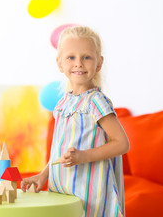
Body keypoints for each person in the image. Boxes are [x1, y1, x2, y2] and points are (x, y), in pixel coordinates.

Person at [21, 26, 130, 217]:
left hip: (90, 193)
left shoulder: (96, 101)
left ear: (98, 63)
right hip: (62, 190)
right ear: (60, 63)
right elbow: (60, 151)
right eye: (71, 57)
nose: (78, 63)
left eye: (86, 57)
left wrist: (83, 157)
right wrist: (43, 175)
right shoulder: (63, 102)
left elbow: (122, 143)